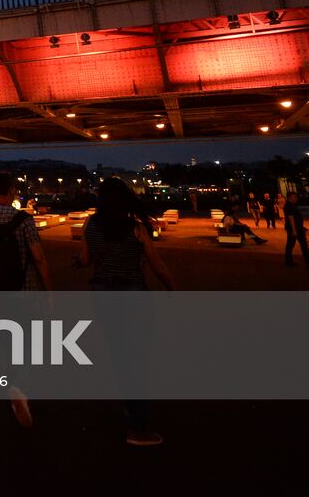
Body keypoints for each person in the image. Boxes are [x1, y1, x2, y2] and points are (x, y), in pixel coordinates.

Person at [79, 177, 177, 447]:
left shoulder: (90, 225)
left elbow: (86, 260)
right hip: (133, 295)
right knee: (138, 358)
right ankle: (138, 427)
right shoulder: (135, 228)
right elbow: (157, 266)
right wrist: (172, 289)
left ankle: (131, 406)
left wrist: (85, 260)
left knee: (120, 352)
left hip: (102, 294)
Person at [0, 171, 53, 429]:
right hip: (23, 291)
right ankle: (20, 385)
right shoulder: (23, 219)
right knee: (29, 341)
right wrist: (48, 291)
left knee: (5, 339)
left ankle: (13, 383)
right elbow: (38, 257)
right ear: (12, 191)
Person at [283, 192, 309, 267]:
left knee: (290, 245)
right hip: (295, 229)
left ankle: (289, 262)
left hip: (296, 228)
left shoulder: (290, 205)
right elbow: (291, 219)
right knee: (303, 245)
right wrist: (294, 230)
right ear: (290, 197)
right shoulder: (289, 206)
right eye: (295, 197)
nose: (296, 199)